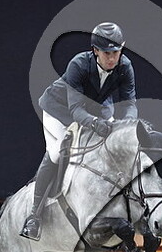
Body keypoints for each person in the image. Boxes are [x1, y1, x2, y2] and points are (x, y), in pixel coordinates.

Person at [21, 22, 138, 240]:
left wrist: (127, 126)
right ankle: (34, 216)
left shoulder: (125, 66)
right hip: (60, 110)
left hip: (96, 109)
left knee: (113, 146)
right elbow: (75, 110)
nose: (112, 58)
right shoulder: (79, 64)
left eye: (116, 52)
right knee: (57, 152)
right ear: (95, 51)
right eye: (107, 53)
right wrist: (94, 123)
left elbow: (129, 103)